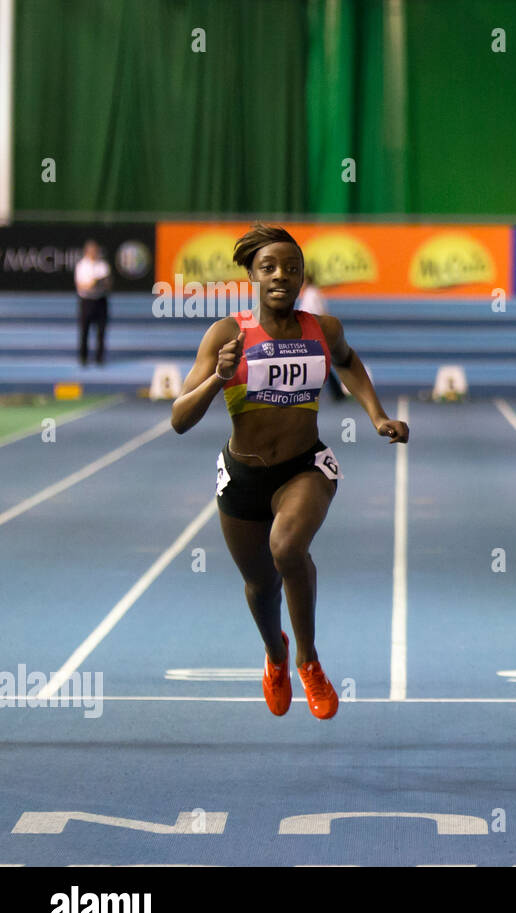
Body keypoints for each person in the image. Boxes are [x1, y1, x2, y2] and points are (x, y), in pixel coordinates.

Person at [170, 223, 409, 719]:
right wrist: (218, 378)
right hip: (242, 477)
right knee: (259, 585)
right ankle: (276, 656)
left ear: (303, 278)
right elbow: (179, 419)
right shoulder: (226, 334)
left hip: (306, 467)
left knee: (287, 547)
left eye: (292, 268)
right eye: (269, 267)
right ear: (252, 276)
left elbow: (348, 363)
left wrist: (378, 415)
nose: (282, 275)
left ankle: (309, 660)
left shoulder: (324, 329)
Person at [297, 270, 346, 399]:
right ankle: (336, 393)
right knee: (321, 365)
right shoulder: (312, 293)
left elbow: (312, 313)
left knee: (317, 365)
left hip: (314, 333)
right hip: (315, 332)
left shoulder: (311, 294)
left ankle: (333, 392)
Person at [74, 240, 111, 365]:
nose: (94, 252)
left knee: (101, 331)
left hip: (101, 300)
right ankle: (83, 358)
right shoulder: (82, 266)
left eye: (96, 250)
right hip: (87, 301)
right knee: (84, 331)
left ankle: (99, 358)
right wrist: (92, 284)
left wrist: (100, 284)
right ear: (87, 251)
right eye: (92, 250)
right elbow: (80, 286)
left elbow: (108, 283)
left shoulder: (103, 265)